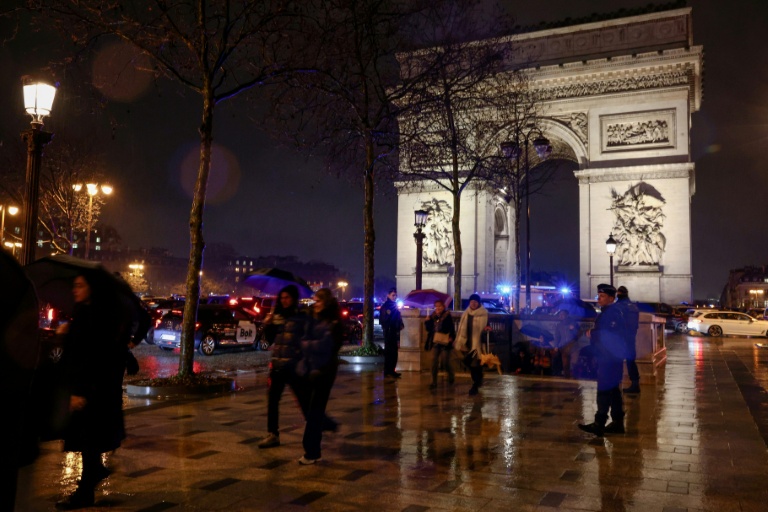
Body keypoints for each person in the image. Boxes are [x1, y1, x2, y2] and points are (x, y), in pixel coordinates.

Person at [55, 272, 131, 509]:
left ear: (92, 288)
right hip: (90, 389)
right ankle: (93, 476)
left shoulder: (99, 318)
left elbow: (93, 358)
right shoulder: (84, 313)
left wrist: (80, 392)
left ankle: (84, 492)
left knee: (88, 440)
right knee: (88, 442)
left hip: (93, 391)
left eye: (80, 285)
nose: (74, 290)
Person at [258, 285, 310, 449]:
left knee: (303, 400)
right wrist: (268, 325)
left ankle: (314, 428)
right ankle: (273, 434)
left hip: (294, 367)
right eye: (282, 298)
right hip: (278, 366)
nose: (284, 300)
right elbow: (269, 340)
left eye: (287, 297)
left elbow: (306, 339)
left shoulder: (301, 316)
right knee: (273, 401)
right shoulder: (277, 316)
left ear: (294, 298)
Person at [297, 288, 343, 464]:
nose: (315, 304)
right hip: (309, 369)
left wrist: (307, 344)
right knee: (310, 409)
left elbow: (328, 345)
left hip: (325, 371)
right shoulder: (312, 318)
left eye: (318, 301)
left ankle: (311, 451)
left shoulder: (334, 321)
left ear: (326, 302)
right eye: (314, 300)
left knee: (314, 411)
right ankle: (328, 424)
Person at [578, 284, 627, 437]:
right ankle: (618, 423)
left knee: (604, 389)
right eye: (598, 295)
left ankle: (599, 423)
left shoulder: (612, 313)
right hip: (611, 355)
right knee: (613, 390)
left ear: (611, 298)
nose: (599, 298)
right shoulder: (610, 312)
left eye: (603, 296)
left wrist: (593, 333)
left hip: (609, 357)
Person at [454, 294, 490, 396]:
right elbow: (461, 328)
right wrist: (460, 340)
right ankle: (478, 379)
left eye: (475, 302)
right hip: (467, 343)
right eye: (471, 302)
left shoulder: (484, 314)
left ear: (479, 303)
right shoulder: (466, 313)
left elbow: (488, 326)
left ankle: (475, 385)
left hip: (477, 344)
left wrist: (487, 329)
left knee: (475, 365)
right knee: (471, 365)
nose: (473, 304)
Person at [614, 286, 641, 393]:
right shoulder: (633, 307)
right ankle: (635, 384)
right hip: (630, 338)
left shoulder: (619, 306)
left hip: (620, 338)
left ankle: (616, 382)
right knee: (631, 362)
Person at [425, 299, 456, 389]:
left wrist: (451, 337)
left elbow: (451, 328)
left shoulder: (447, 316)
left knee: (445, 362)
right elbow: (429, 329)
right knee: (433, 362)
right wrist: (427, 321)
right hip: (435, 342)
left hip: (445, 342)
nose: (438, 308)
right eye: (436, 306)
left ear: (443, 307)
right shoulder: (432, 316)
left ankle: (451, 376)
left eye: (440, 306)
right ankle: (433, 382)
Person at [379, 288, 403, 379]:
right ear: (388, 295)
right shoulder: (386, 306)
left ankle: (392, 370)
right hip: (389, 332)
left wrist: (400, 323)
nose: (395, 297)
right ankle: (388, 371)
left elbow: (397, 318)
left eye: (395, 295)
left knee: (394, 352)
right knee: (389, 352)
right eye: (393, 295)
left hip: (394, 331)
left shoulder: (394, 306)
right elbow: (384, 320)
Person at [554, 309, 581, 377]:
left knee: (574, 363)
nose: (561, 316)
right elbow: (557, 336)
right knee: (565, 364)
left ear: (566, 315)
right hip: (564, 347)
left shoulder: (574, 323)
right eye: (560, 314)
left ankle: (574, 377)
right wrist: (556, 346)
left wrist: (573, 329)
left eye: (562, 314)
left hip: (573, 346)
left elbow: (579, 333)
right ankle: (567, 378)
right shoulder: (559, 325)